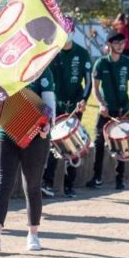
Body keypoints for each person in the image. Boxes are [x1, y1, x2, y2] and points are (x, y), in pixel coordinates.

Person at [0, 68, 55, 252]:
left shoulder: (43, 71)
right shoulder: (6, 69)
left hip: (35, 135)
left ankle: (33, 235)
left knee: (32, 185)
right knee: (3, 182)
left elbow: (49, 103)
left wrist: (48, 124)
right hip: (6, 131)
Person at [41, 17, 92, 198]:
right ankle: (47, 183)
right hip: (56, 106)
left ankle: (69, 185)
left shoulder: (82, 53)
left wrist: (84, 99)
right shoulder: (52, 53)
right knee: (53, 145)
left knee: (73, 145)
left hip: (75, 107)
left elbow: (88, 81)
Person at [86, 30, 129, 190]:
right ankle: (96, 178)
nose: (121, 46)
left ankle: (119, 179)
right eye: (117, 43)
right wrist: (101, 104)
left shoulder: (128, 63)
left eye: (123, 43)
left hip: (122, 109)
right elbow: (95, 89)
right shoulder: (101, 63)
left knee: (123, 144)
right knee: (99, 142)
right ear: (109, 44)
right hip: (106, 110)